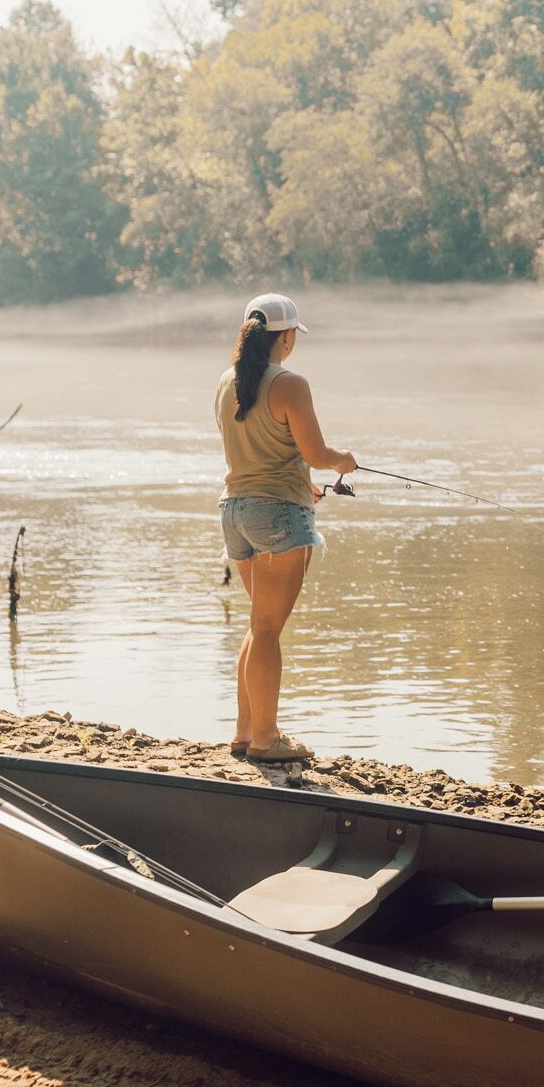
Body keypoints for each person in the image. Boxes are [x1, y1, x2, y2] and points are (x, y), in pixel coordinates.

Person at [217, 293, 355, 764]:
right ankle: (266, 738)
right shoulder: (291, 384)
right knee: (268, 630)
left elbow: (259, 456)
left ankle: (244, 731)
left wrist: (305, 486)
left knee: (259, 626)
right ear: (288, 337)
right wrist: (344, 461)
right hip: (277, 518)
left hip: (234, 512)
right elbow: (317, 455)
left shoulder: (226, 383)